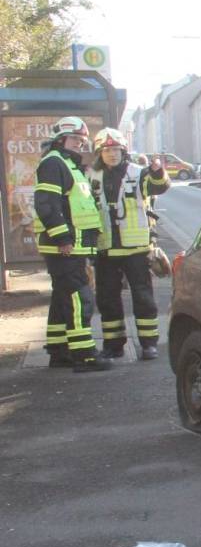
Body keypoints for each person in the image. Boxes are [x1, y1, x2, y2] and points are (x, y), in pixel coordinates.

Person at [31, 116, 109, 372]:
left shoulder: (66, 163)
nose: (80, 143)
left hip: (71, 245)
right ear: (61, 139)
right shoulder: (54, 163)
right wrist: (63, 238)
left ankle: (59, 350)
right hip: (66, 246)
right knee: (79, 297)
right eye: (75, 139)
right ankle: (84, 355)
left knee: (63, 296)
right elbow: (46, 204)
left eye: (82, 140)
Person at [87, 128, 170, 360]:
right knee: (107, 299)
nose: (112, 154)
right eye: (107, 151)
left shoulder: (138, 172)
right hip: (105, 248)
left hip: (137, 249)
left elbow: (160, 186)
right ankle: (113, 345)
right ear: (99, 153)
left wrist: (158, 171)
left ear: (123, 151)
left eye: (116, 150)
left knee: (143, 297)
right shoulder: (92, 176)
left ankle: (149, 344)